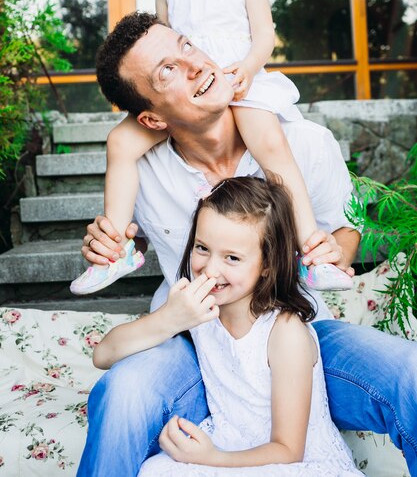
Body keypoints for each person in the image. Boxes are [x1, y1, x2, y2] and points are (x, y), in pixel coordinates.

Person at [76, 12, 417, 477]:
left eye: (187, 46)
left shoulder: (304, 142)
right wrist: (102, 244)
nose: (193, 65)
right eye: (167, 71)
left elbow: (346, 229)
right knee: (121, 393)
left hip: (297, 334)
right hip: (196, 343)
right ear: (151, 117)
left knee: (409, 372)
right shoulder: (142, 166)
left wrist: (336, 251)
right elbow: (115, 238)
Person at [70, 0, 352, 296]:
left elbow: (265, 35)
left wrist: (247, 67)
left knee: (270, 143)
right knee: (119, 144)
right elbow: (164, 49)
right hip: (191, 97)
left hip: (238, 83)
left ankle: (309, 251)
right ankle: (117, 248)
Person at [93, 176, 362, 477]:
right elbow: (103, 355)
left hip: (287, 462)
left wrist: (212, 457)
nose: (210, 269)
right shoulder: (198, 309)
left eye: (232, 257)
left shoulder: (284, 332)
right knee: (155, 470)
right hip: (228, 442)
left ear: (267, 265)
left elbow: (288, 450)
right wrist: (170, 318)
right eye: (202, 248)